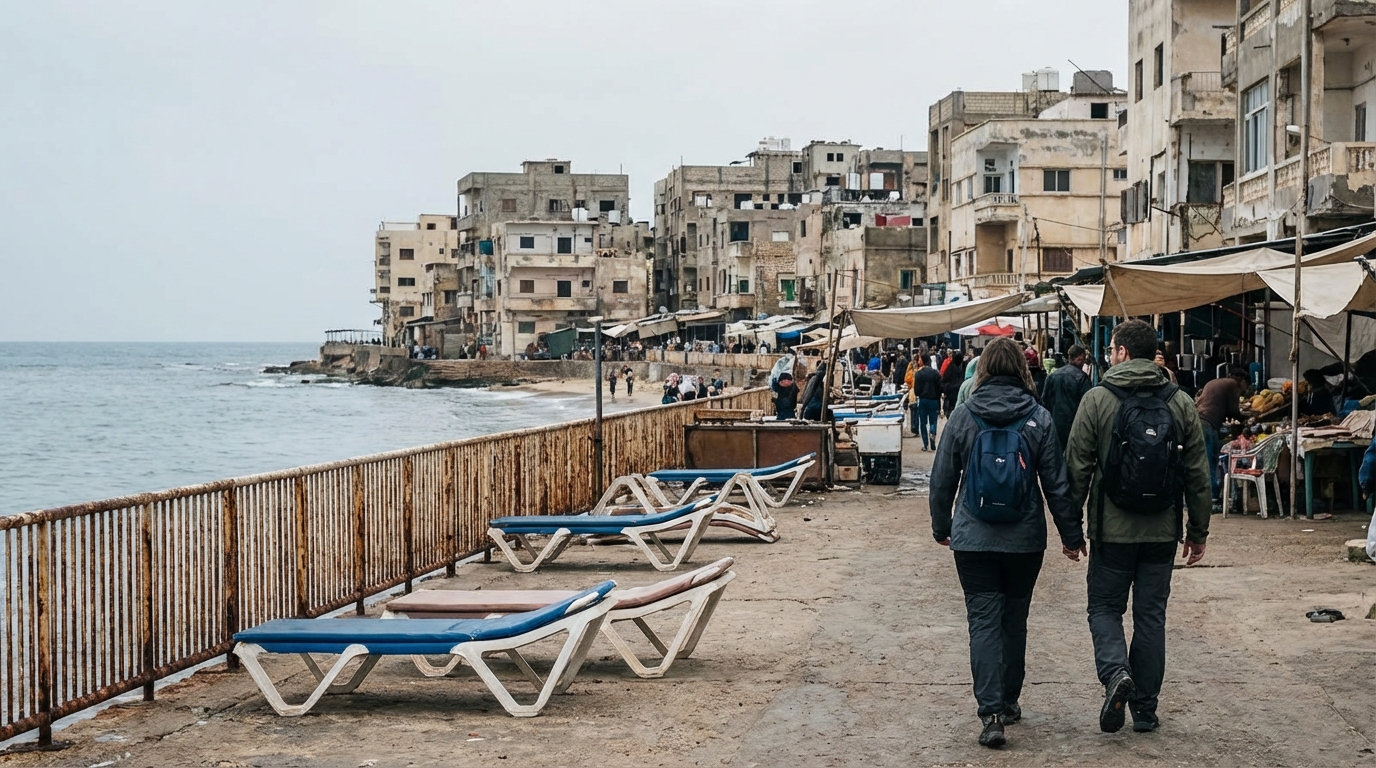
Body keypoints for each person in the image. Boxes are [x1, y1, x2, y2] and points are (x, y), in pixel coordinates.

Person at [929, 337, 1085, 748]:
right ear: (1021, 369)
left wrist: (941, 525)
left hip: (972, 538)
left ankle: (991, 712)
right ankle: (1011, 701)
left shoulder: (964, 415)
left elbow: (942, 477)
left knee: (982, 621)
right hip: (1024, 539)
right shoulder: (1038, 417)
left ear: (982, 370)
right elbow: (1056, 483)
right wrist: (1072, 535)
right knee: (1014, 621)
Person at [1064, 319, 1211, 735]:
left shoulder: (1097, 399)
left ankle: (1115, 675)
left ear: (1124, 353)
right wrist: (1198, 531)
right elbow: (1198, 472)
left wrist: (1071, 530)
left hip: (1112, 533)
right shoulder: (1179, 401)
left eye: (1112, 351)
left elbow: (1076, 468)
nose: (1109, 357)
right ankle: (1145, 709)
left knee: (1105, 608)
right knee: (1151, 617)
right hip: (1162, 530)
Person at [1195, 367, 1249, 506]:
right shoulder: (1232, 385)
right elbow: (1233, 410)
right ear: (1241, 381)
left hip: (1197, 421)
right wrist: (1243, 419)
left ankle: (1205, 495)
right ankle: (1212, 497)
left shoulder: (1215, 381)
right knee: (1211, 460)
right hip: (1207, 424)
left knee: (1203, 460)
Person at [1041, 345, 1092, 454]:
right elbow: (1088, 405)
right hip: (1075, 427)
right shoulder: (1082, 378)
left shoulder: (1052, 376)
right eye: (1083, 359)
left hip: (1054, 426)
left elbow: (1044, 401)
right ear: (1079, 358)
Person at [910, 355, 943, 450]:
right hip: (934, 401)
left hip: (923, 400)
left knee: (923, 423)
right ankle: (932, 434)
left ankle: (925, 445)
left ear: (922, 361)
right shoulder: (936, 374)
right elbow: (940, 388)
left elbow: (916, 391)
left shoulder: (918, 374)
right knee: (933, 421)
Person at [941, 350, 965, 417]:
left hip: (956, 397)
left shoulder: (951, 368)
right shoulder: (953, 368)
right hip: (954, 398)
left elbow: (943, 382)